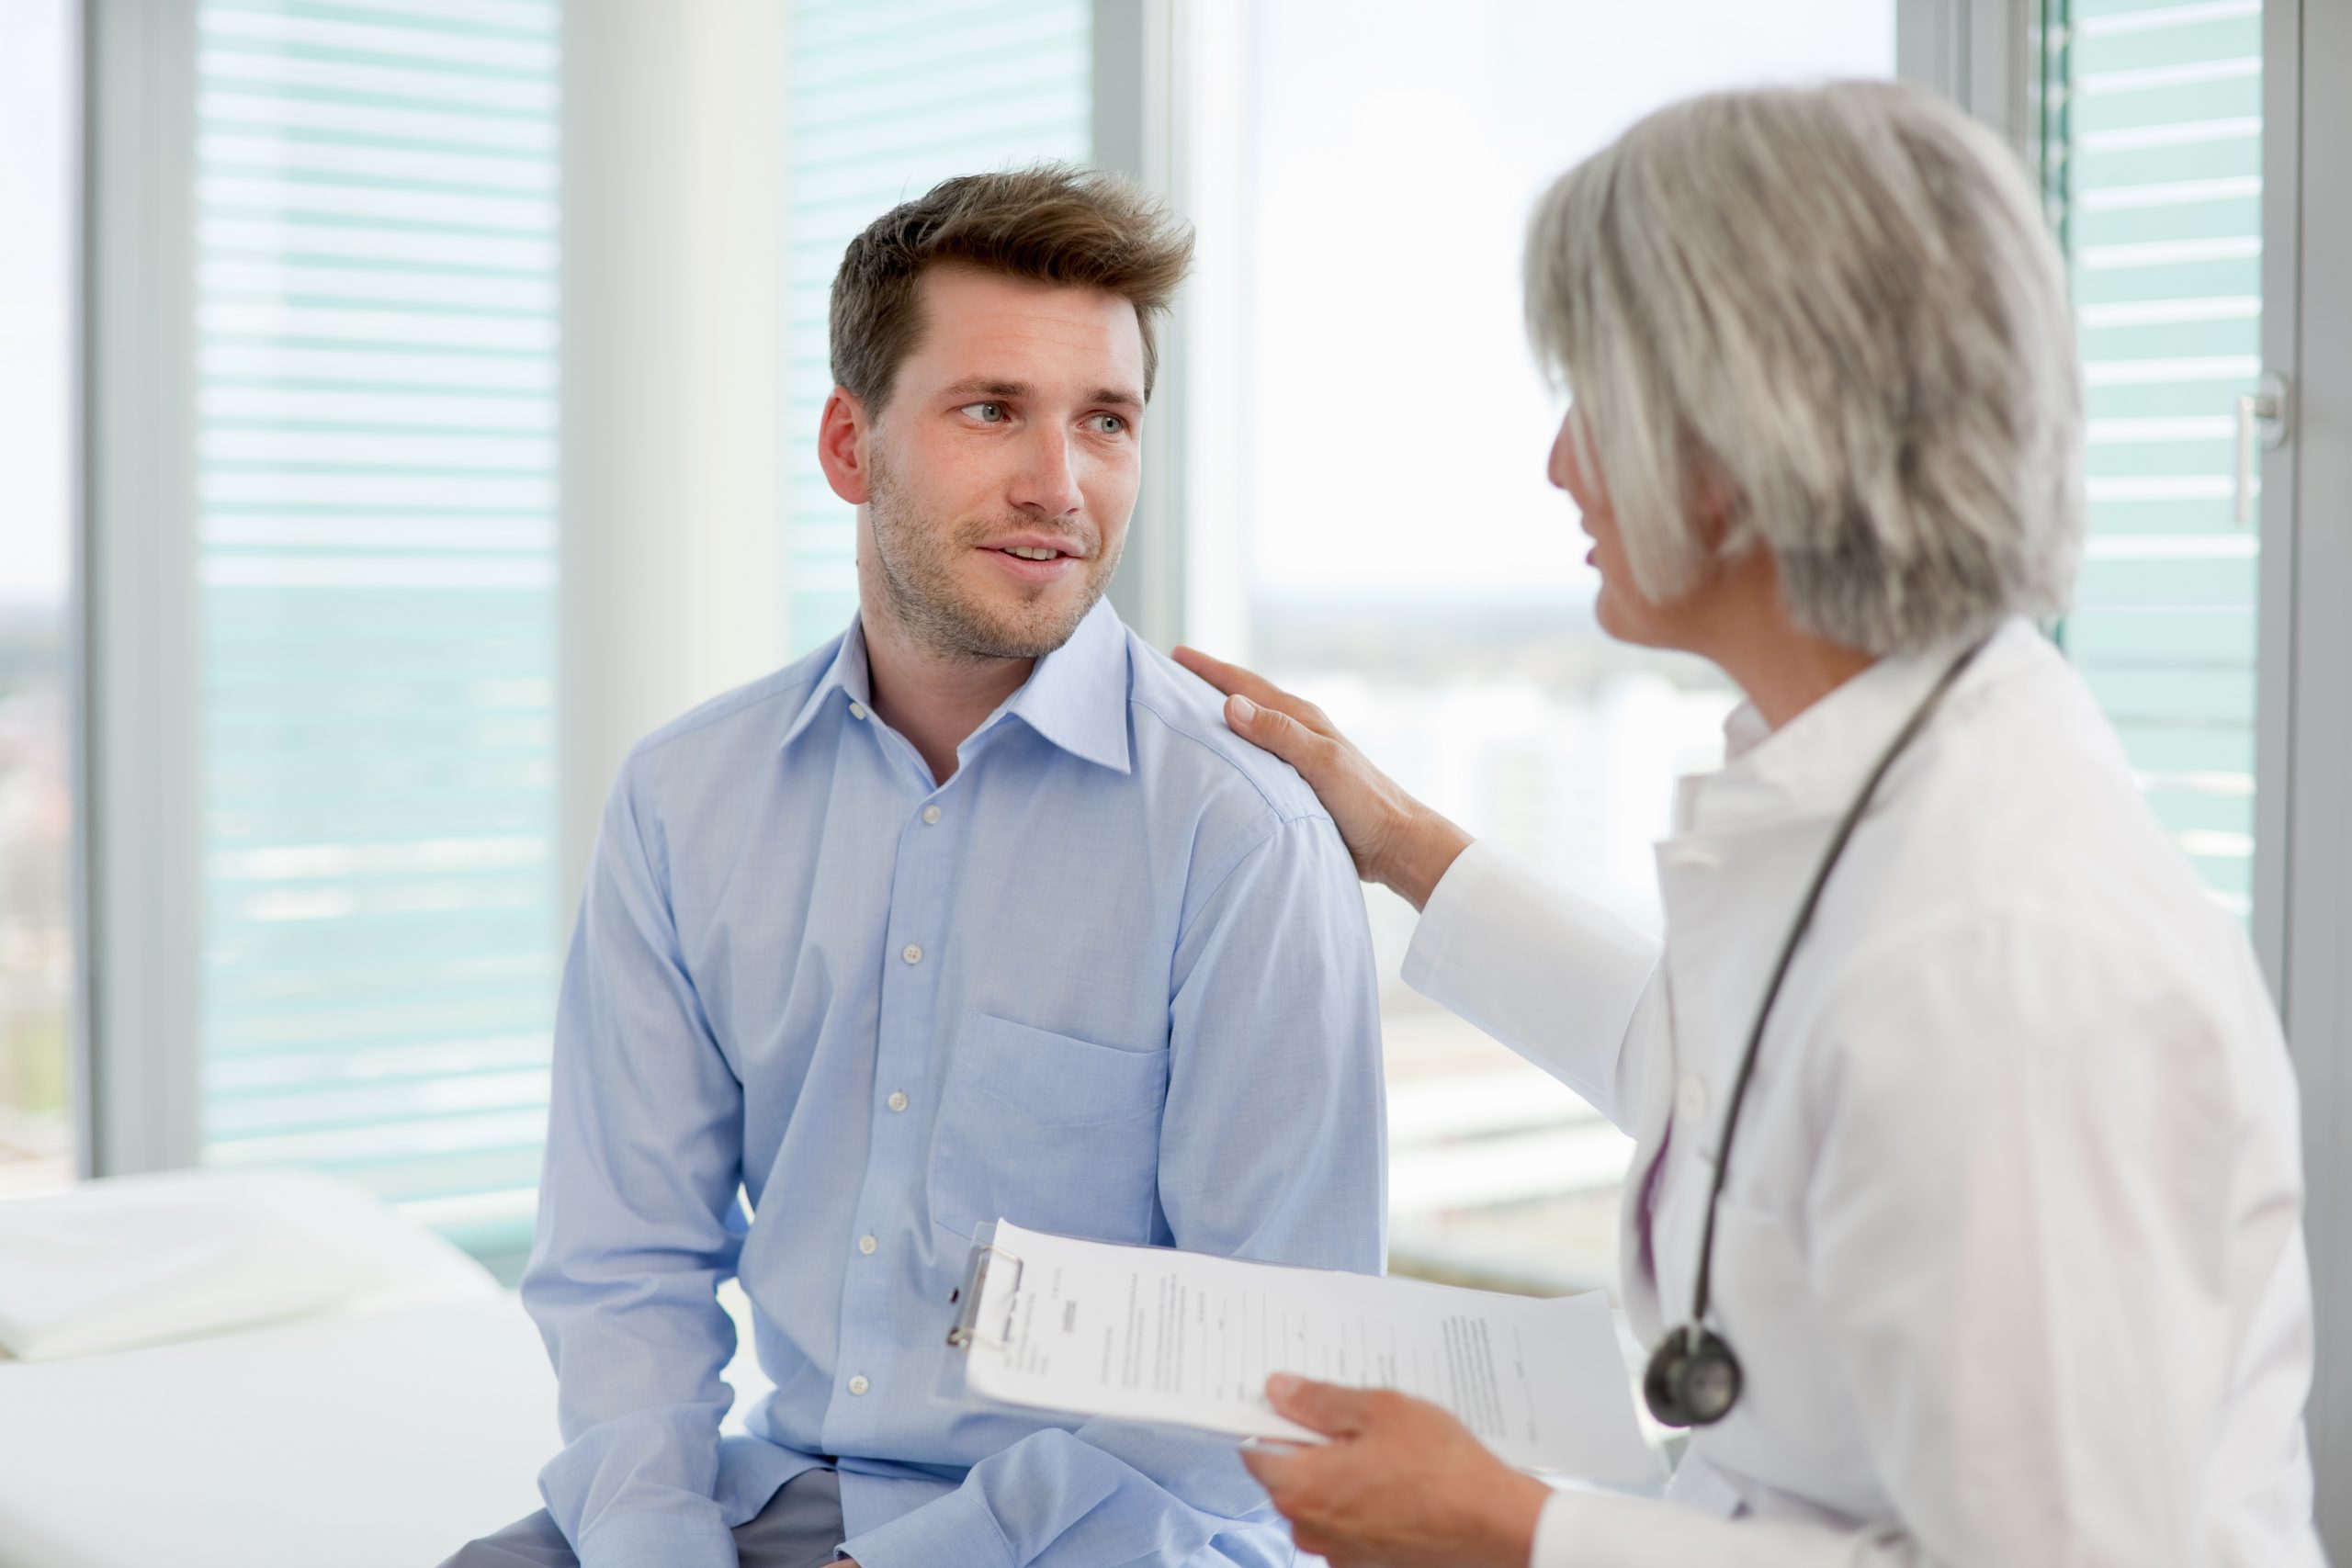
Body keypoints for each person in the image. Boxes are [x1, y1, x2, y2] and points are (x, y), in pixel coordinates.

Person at [1177, 82, 2324, 1567]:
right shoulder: (1891, 765)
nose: (1557, 464)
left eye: (1591, 398)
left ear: (1738, 450)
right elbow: (1731, 1071)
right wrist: (1392, 833)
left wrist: (1511, 1529)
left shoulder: (2005, 957)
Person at [442, 166, 1386, 1568]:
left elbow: (1268, 1366)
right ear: (849, 445)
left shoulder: (1241, 833)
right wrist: (654, 1542)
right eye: (993, 409)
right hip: (787, 1495)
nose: (1059, 487)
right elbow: (627, 1262)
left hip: (1114, 1533)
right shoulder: (684, 800)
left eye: (1106, 422)